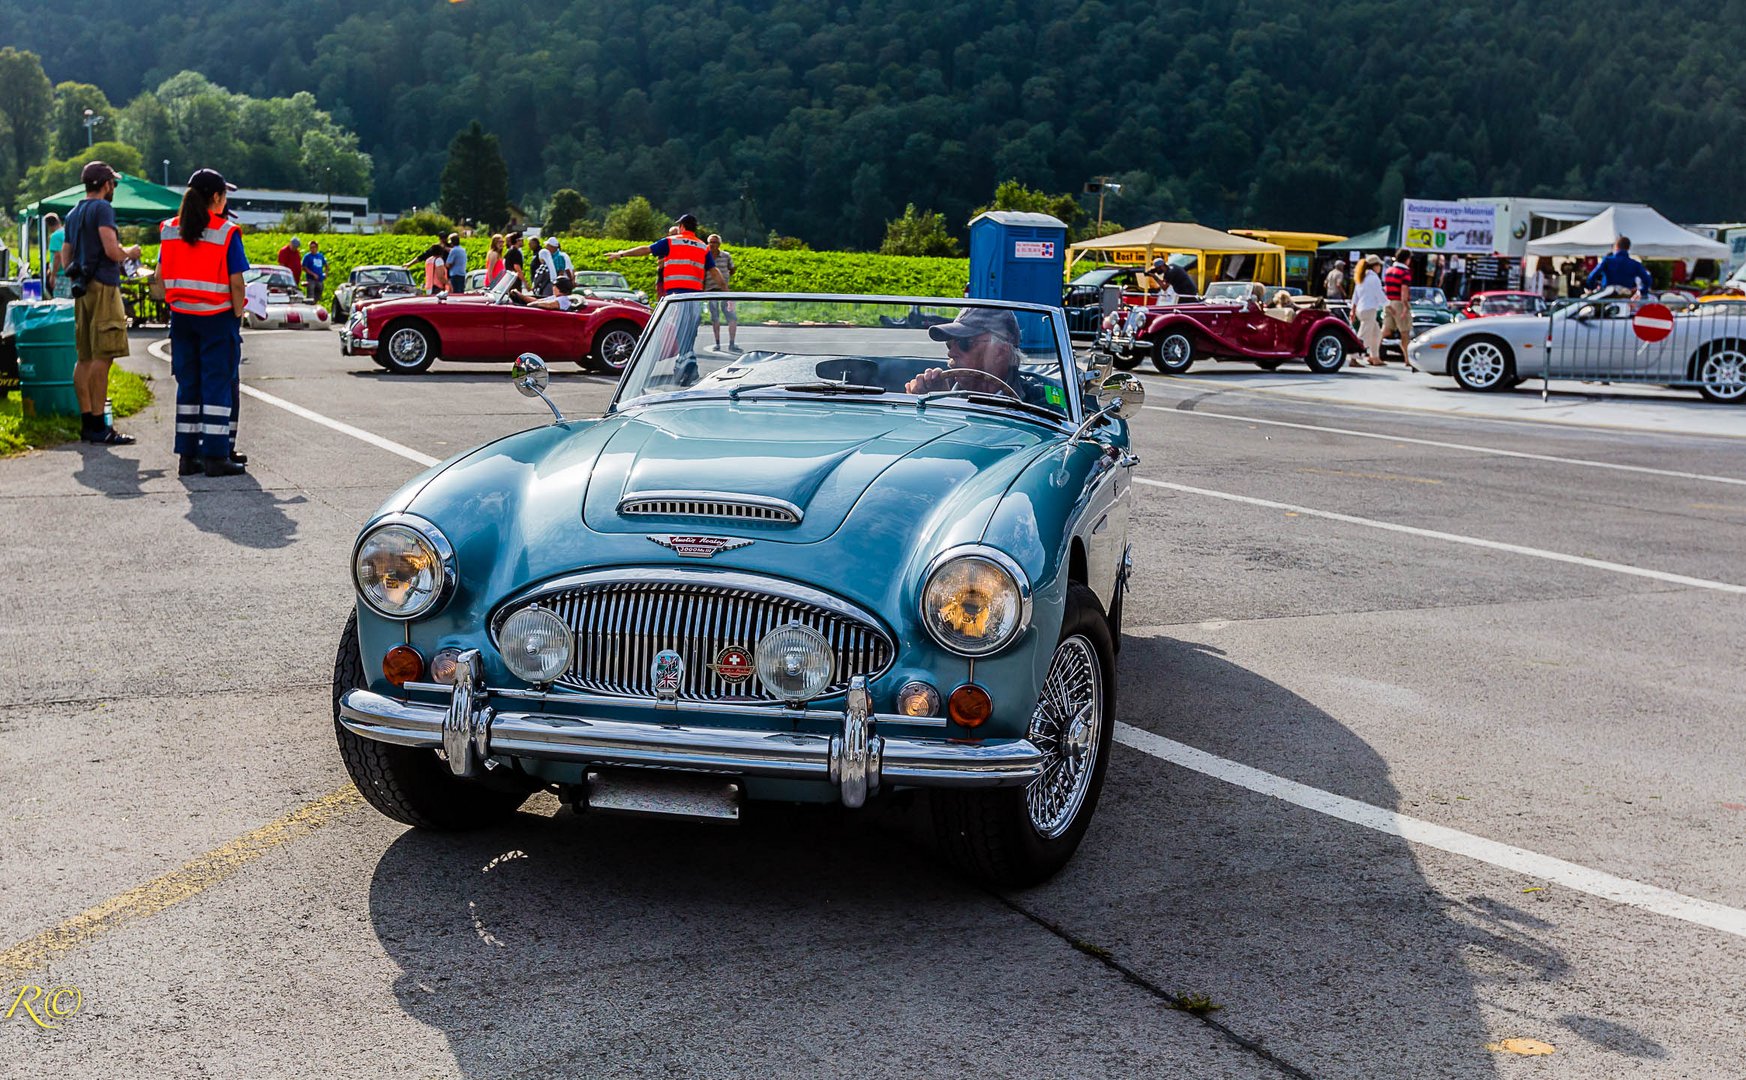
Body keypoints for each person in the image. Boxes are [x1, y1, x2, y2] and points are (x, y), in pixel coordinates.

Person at [158, 168, 248, 476]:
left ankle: (188, 455)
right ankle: (215, 455)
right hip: (217, 318)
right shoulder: (226, 232)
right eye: (224, 196)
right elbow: (237, 283)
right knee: (217, 385)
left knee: (189, 385)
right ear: (216, 197)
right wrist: (238, 313)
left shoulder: (170, 230)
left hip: (182, 318)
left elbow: (159, 280)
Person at [58, 161, 142, 445]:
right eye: (113, 183)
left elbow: (65, 256)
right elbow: (110, 248)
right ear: (106, 184)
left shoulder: (73, 213)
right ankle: (100, 425)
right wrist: (130, 251)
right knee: (104, 356)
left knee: (84, 356)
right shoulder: (103, 209)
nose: (114, 188)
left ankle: (87, 423)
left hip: (81, 288)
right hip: (104, 285)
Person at [901, 306, 1052, 407]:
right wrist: (939, 403)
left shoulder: (1038, 400)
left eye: (963, 343)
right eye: (949, 343)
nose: (950, 352)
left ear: (1000, 351)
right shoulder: (935, 389)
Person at [1586, 236, 1655, 297]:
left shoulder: (1606, 261)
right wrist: (1642, 291)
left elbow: (1591, 278)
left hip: (1607, 297)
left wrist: (1595, 289)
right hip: (1625, 299)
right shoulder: (1635, 264)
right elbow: (1647, 280)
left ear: (1616, 247)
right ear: (1628, 248)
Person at [1350, 254, 1387, 367]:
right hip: (1369, 310)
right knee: (1363, 335)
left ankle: (1374, 357)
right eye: (1379, 265)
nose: (1380, 268)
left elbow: (1355, 296)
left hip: (1361, 310)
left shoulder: (1361, 278)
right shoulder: (1374, 278)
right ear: (1374, 266)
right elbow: (1379, 294)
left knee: (1376, 333)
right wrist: (1388, 304)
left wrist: (1352, 310)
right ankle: (1353, 358)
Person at [1381, 248, 1415, 366]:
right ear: (1407, 259)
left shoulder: (1389, 270)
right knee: (1405, 333)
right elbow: (1404, 291)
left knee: (1385, 331)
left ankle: (1372, 353)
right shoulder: (1405, 273)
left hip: (1389, 302)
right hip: (1400, 303)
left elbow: (1385, 288)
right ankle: (1407, 359)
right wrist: (1405, 307)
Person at [705, 233, 739, 351]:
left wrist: (726, 277)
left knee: (731, 316)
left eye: (715, 242)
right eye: (711, 242)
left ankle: (732, 343)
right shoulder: (705, 256)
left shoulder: (726, 256)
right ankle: (717, 343)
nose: (712, 244)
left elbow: (732, 268)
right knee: (715, 317)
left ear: (719, 244)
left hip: (724, 290)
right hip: (710, 290)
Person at [44, 213, 67, 298]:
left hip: (60, 275)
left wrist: (53, 275)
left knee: (60, 303)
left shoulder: (55, 236)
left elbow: (58, 256)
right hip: (69, 274)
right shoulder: (66, 232)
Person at [301, 238, 328, 304]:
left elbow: (326, 265)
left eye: (313, 247)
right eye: (311, 247)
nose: (312, 249)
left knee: (319, 294)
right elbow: (304, 267)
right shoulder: (307, 256)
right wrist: (313, 274)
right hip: (311, 279)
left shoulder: (320, 256)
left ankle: (315, 304)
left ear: (317, 247)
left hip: (320, 279)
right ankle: (310, 306)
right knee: (310, 295)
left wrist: (326, 273)